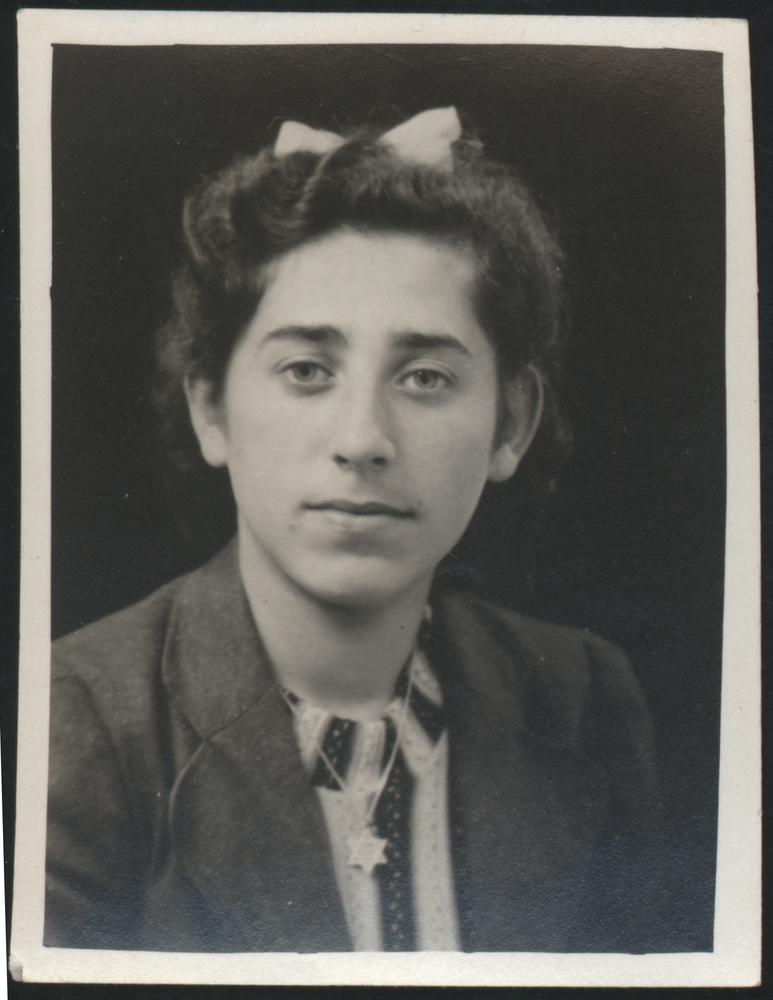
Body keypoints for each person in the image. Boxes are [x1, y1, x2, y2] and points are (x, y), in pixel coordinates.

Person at [45, 107, 663, 953]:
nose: (363, 440)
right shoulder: (72, 721)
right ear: (212, 408)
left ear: (510, 424)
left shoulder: (580, 698)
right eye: (307, 370)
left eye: (425, 377)